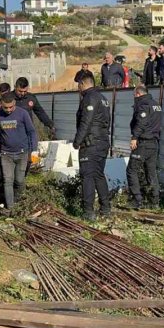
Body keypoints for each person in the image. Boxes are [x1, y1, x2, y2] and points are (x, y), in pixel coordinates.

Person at [73, 70, 112, 221]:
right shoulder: (103, 98)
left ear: (83, 84)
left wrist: (77, 141)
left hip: (90, 144)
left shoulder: (89, 98)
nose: (78, 88)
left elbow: (86, 122)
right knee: (98, 175)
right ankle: (105, 208)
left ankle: (88, 211)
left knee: (87, 176)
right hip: (102, 142)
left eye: (78, 85)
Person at [0, 92, 38, 209]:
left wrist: (33, 150)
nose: (8, 110)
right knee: (7, 181)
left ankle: (20, 203)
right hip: (6, 154)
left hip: (22, 153)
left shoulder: (23, 113)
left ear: (14, 104)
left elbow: (31, 132)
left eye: (11, 107)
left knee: (19, 181)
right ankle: (11, 208)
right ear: (1, 105)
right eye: (6, 107)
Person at [126, 85, 162, 209]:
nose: (134, 98)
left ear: (138, 94)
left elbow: (141, 123)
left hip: (144, 143)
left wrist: (134, 137)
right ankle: (155, 201)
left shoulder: (143, 105)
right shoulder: (156, 105)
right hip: (154, 143)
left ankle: (137, 200)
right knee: (151, 173)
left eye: (134, 95)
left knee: (131, 170)